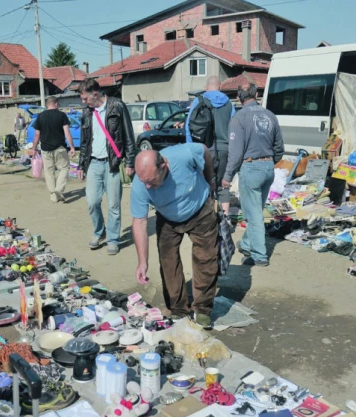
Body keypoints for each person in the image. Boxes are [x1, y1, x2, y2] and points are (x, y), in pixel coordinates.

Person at [131, 144, 218, 328]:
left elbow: (204, 151)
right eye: (143, 181)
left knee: (206, 260)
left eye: (151, 181)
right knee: (168, 263)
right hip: (167, 218)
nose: (147, 186)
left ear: (165, 166)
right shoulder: (140, 184)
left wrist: (210, 180)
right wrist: (142, 262)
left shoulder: (184, 154)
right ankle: (178, 309)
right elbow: (140, 222)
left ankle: (202, 310)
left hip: (200, 210)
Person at [224, 82, 284, 267]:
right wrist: (270, 162)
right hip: (268, 167)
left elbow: (235, 153)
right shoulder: (270, 115)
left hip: (251, 167)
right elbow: (279, 147)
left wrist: (227, 176)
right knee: (256, 209)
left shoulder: (239, 118)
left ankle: (259, 255)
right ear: (256, 94)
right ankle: (247, 243)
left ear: (238, 97)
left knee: (254, 214)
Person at [79, 78, 136, 255]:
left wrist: (130, 161)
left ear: (95, 94)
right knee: (92, 202)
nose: (83, 102)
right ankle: (99, 232)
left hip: (113, 163)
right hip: (94, 163)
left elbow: (128, 134)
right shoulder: (87, 112)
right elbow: (84, 141)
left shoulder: (117, 106)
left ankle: (113, 239)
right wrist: (81, 165)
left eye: (85, 98)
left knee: (113, 205)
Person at [185, 76, 235, 214]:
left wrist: (190, 148)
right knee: (223, 185)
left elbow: (188, 126)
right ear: (220, 86)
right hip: (225, 149)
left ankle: (208, 217)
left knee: (204, 184)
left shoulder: (198, 101)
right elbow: (234, 129)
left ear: (206, 87)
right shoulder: (229, 103)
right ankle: (225, 218)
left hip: (203, 150)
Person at [32, 96, 76, 203]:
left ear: (47, 105)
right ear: (56, 104)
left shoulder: (40, 116)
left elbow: (37, 134)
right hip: (59, 147)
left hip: (45, 148)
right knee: (64, 168)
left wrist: (33, 148)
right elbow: (67, 132)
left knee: (49, 172)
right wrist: (72, 147)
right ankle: (58, 190)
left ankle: (53, 195)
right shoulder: (62, 115)